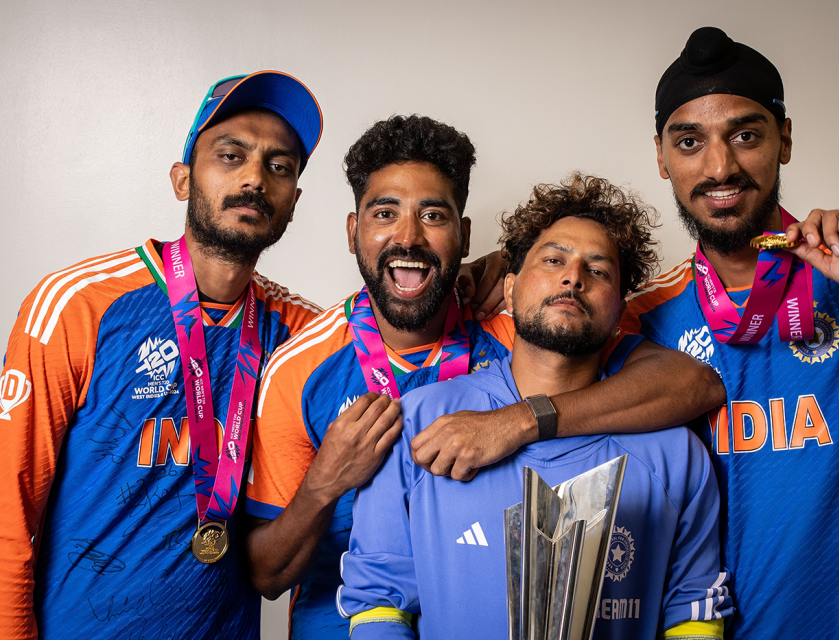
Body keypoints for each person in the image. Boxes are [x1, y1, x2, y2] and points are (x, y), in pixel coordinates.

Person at [243, 116, 725, 637]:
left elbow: (695, 383)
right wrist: (325, 483)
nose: (408, 236)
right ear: (353, 231)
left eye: (433, 215)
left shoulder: (530, 328)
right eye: (385, 213)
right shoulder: (299, 368)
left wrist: (517, 421)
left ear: (463, 235)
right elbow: (267, 576)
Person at [619, 27, 839, 639]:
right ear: (662, 157)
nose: (720, 167)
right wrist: (491, 273)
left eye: (745, 135)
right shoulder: (638, 315)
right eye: (690, 142)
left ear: (786, 139)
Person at [0, 71, 324, 639]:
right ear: (182, 180)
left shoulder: (301, 332)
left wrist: (478, 273)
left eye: (279, 166)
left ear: (293, 203)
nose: (254, 178)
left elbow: (403, 332)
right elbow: (9, 507)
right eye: (231, 156)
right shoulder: (78, 305)